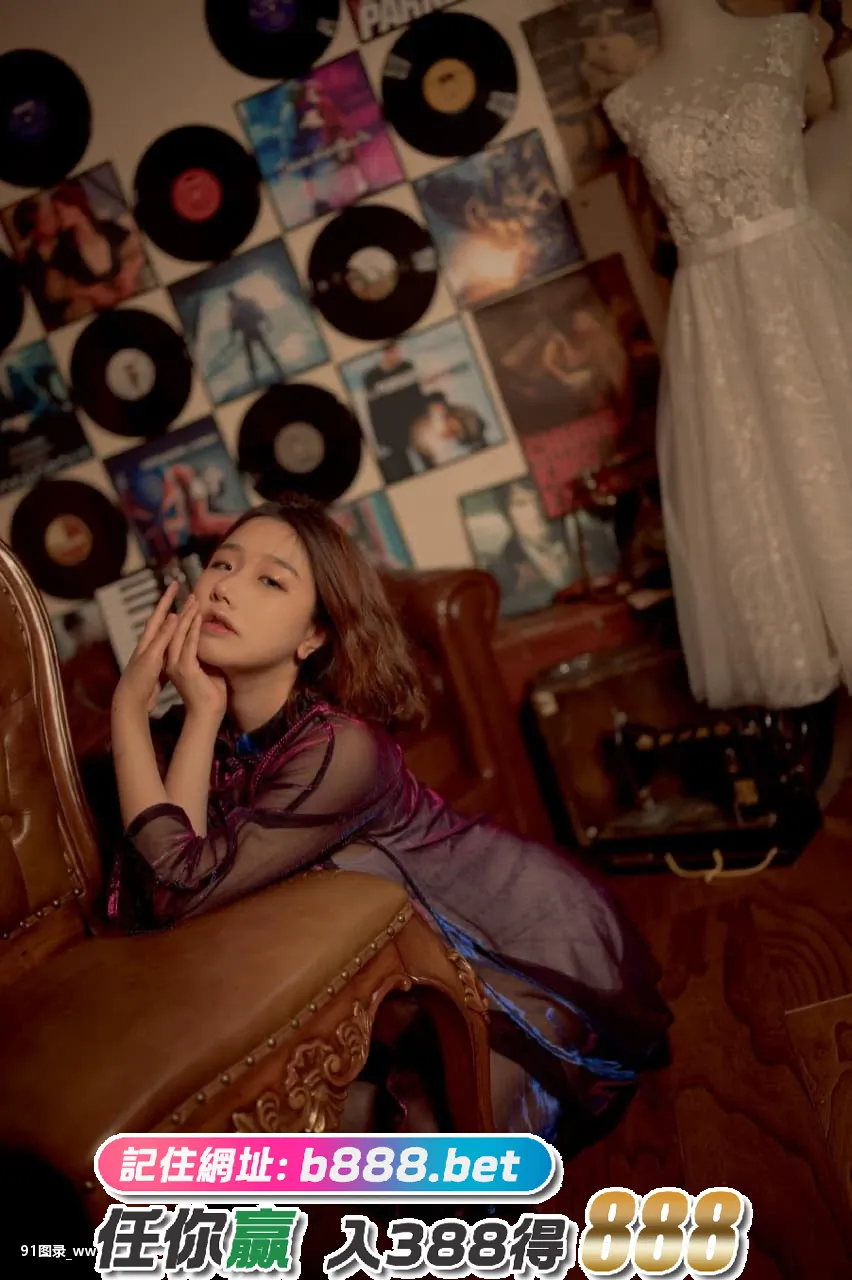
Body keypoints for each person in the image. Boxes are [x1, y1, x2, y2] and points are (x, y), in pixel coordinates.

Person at [104, 494, 671, 1144]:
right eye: (222, 565)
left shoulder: (341, 748)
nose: (225, 588)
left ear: (314, 635)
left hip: (514, 946)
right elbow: (175, 889)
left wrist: (128, 707)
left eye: (270, 581)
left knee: (435, 1161)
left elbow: (179, 886)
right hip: (399, 970)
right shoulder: (206, 727)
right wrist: (202, 716)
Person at [226, 288, 283, 385]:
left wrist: (232, 338)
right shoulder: (239, 306)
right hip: (251, 331)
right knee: (258, 353)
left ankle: (273, 370)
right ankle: (260, 375)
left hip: (251, 331)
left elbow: (234, 325)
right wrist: (268, 322)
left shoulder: (237, 307)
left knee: (260, 352)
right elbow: (259, 313)